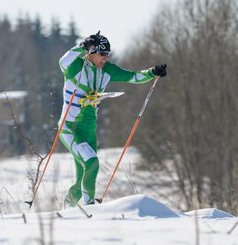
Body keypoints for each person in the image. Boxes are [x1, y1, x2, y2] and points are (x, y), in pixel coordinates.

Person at [58, 31, 166, 206]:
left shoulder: (107, 70)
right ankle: (90, 207)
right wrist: (82, 46)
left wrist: (153, 72)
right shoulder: (75, 66)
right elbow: (62, 62)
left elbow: (133, 76)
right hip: (70, 127)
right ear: (91, 52)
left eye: (108, 54)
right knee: (92, 163)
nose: (106, 58)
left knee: (82, 178)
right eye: (102, 54)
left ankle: (65, 210)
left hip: (89, 129)